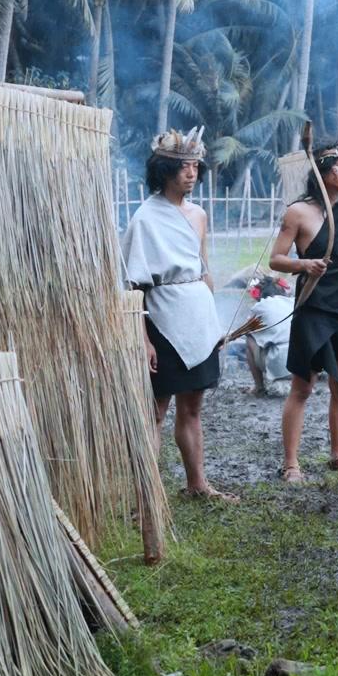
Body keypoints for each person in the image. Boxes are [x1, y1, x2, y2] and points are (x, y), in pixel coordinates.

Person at [120, 127, 235, 501]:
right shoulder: (145, 218)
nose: (191, 173)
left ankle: (197, 484)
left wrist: (214, 323)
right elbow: (135, 286)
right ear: (164, 171)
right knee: (156, 410)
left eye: (195, 166)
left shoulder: (198, 215)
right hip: (162, 320)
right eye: (184, 166)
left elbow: (203, 269)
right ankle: (146, 496)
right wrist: (143, 340)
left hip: (197, 316)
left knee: (193, 407)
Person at [269, 142, 338, 481]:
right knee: (302, 388)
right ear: (322, 169)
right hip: (313, 305)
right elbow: (276, 259)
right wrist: (305, 264)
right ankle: (291, 463)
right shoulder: (298, 212)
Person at [244, 275, 295, 395]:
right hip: (302, 366)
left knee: (250, 338)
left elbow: (246, 329)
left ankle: (259, 387)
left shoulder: (260, 306)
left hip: (280, 366)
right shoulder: (293, 302)